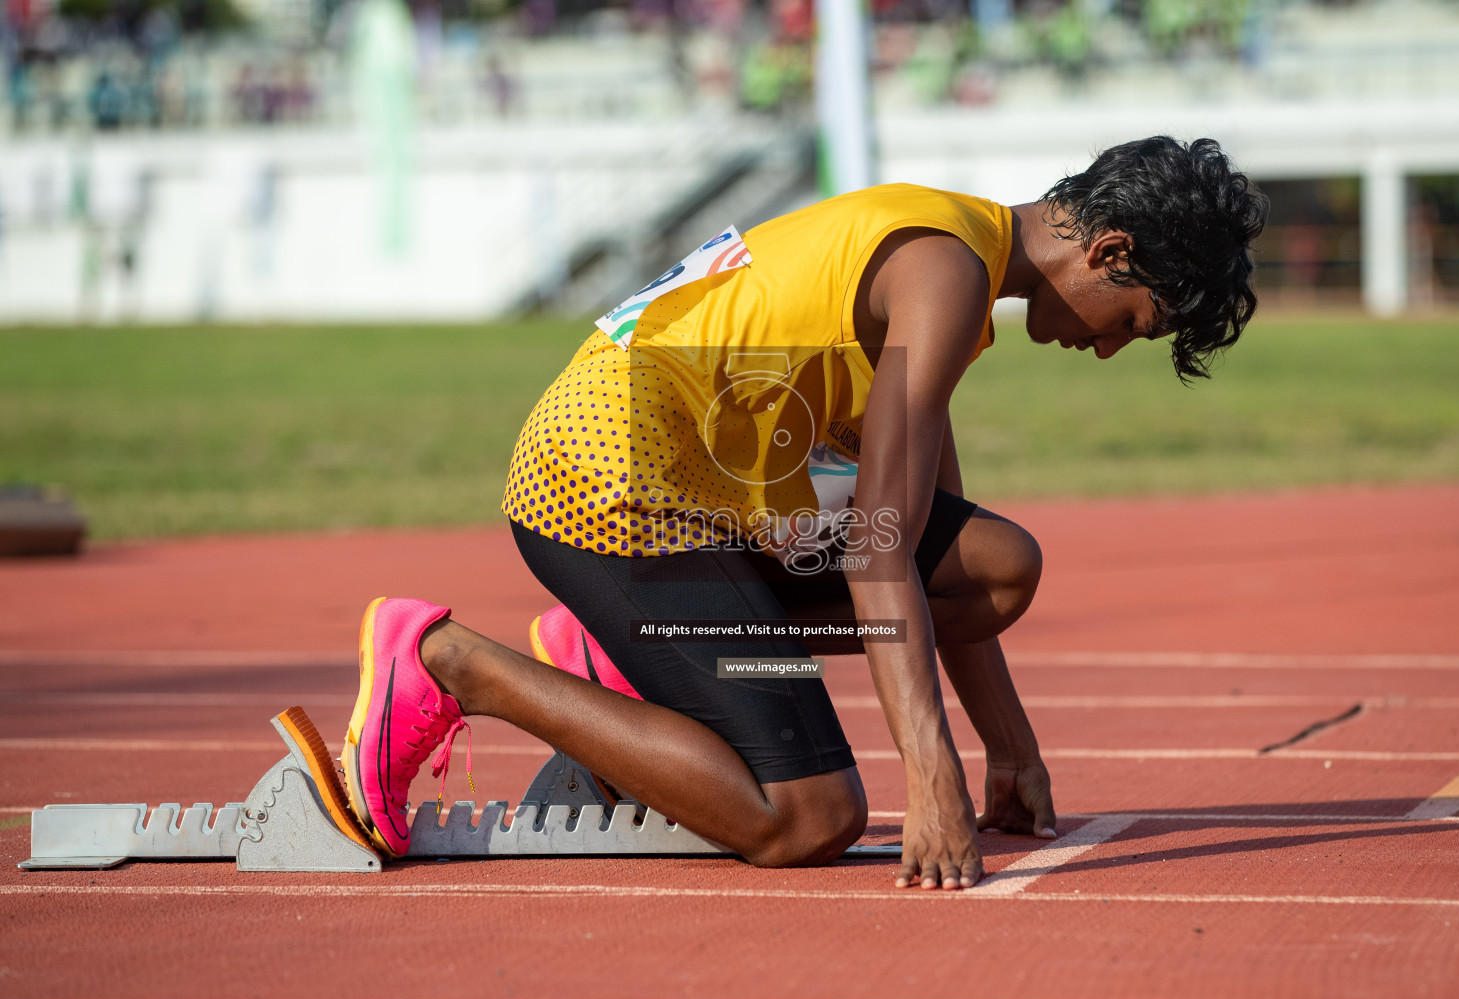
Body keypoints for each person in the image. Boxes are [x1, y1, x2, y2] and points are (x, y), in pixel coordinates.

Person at [340, 135, 1268, 890]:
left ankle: (622, 650)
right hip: (606, 482)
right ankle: (451, 664)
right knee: (809, 819)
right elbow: (876, 552)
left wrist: (1010, 748)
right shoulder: (940, 273)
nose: (1110, 350)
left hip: (699, 484)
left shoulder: (953, 255)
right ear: (1108, 253)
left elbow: (921, 537)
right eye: (1134, 321)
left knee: (995, 565)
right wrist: (930, 775)